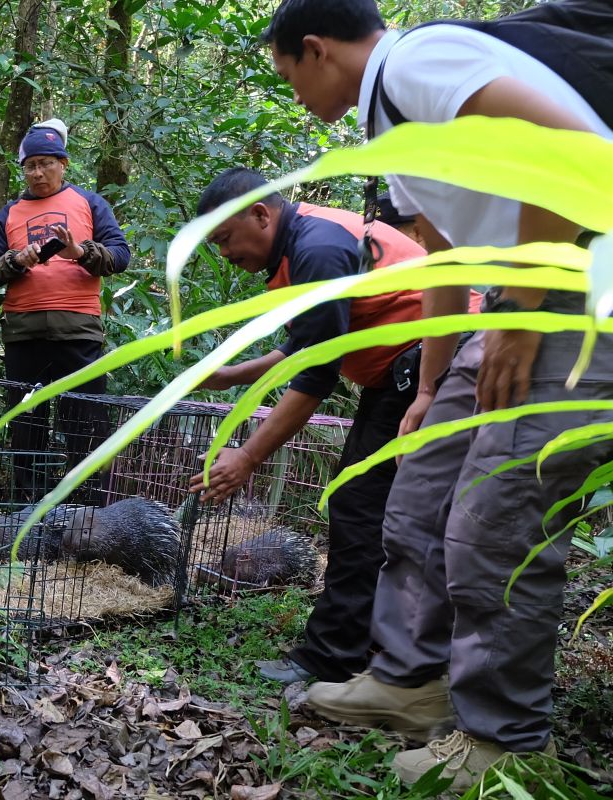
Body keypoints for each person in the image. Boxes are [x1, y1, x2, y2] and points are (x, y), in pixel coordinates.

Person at [262, 0, 613, 789]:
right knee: (420, 489)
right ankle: (410, 680)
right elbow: (444, 264)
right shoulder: (389, 129)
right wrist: (428, 391)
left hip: (582, 287)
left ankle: (505, 743)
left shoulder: (419, 62)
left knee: (501, 509)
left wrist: (523, 313)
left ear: (316, 50)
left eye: (288, 77)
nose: (294, 99)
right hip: (514, 299)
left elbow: (572, 147)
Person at [188, 167, 451, 686]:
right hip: (406, 371)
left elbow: (316, 374)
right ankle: (385, 644)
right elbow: (309, 343)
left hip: (433, 365)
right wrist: (231, 377)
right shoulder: (304, 248)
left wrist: (247, 457)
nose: (225, 254)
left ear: (260, 214)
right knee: (389, 510)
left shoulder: (318, 249)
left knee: (359, 504)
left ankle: (332, 657)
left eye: (224, 238)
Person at [0, 119, 131, 503]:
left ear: (63, 164)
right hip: (23, 335)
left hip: (77, 333)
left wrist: (79, 252)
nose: (38, 172)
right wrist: (16, 260)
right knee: (26, 425)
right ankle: (29, 511)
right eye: (30, 165)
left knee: (85, 421)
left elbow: (121, 255)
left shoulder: (89, 203)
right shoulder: (9, 213)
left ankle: (92, 513)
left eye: (46, 163)